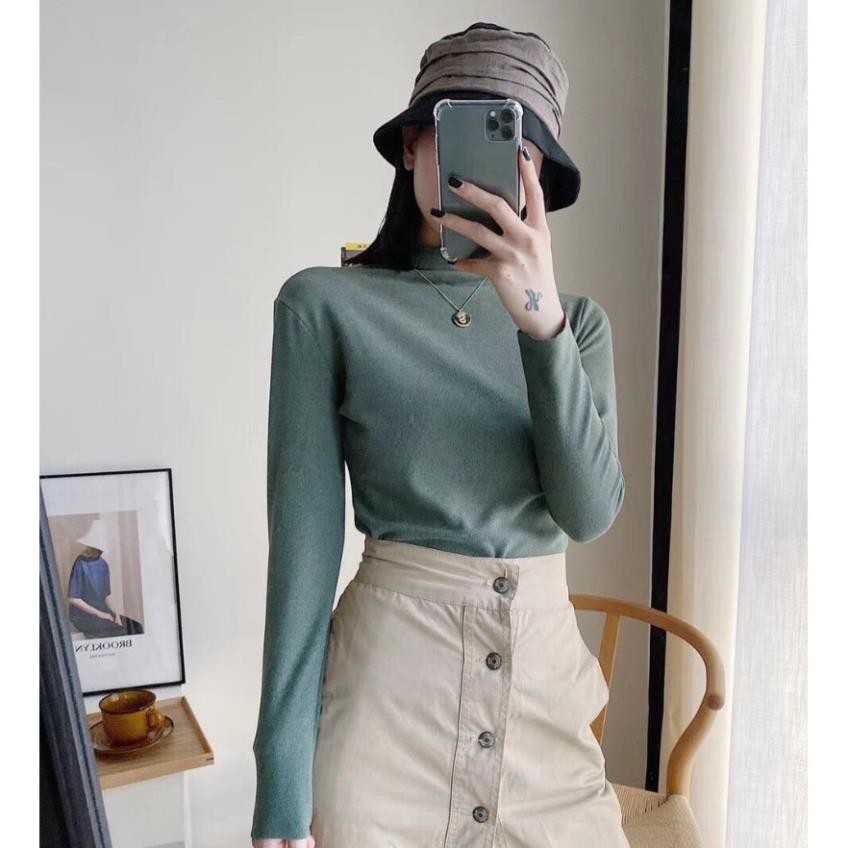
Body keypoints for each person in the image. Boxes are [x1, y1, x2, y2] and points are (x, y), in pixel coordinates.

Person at [251, 21, 628, 848]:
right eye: (462, 130)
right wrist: (280, 779)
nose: (487, 166)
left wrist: (540, 324)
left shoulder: (578, 327)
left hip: (545, 713)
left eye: (518, 145)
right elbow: (303, 554)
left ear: (540, 174)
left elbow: (588, 513)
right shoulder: (324, 305)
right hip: (385, 717)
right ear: (411, 145)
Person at [67, 518, 145, 638]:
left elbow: (106, 595)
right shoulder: (80, 562)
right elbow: (73, 598)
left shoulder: (103, 564)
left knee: (136, 627)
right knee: (119, 632)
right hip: (83, 616)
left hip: (102, 611)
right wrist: (100, 614)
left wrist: (115, 613)